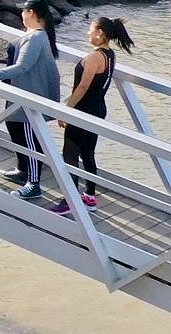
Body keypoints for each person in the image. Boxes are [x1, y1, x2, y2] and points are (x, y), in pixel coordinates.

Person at [0, 0, 61, 201]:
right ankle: (23, 169)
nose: (21, 15)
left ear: (31, 13)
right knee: (14, 126)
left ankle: (34, 183)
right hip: (21, 93)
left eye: (23, 12)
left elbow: (23, 66)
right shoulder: (35, 35)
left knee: (29, 138)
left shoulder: (35, 38)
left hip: (29, 96)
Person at [51, 16, 134, 216]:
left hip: (84, 110)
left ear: (100, 33)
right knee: (87, 153)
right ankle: (89, 196)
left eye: (91, 30)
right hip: (98, 108)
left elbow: (84, 86)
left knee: (70, 153)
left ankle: (70, 200)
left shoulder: (95, 57)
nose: (88, 33)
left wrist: (67, 109)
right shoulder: (110, 55)